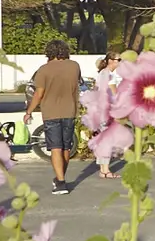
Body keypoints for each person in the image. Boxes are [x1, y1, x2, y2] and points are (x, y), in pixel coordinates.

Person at [24, 40, 83, 194]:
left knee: (55, 147)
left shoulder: (43, 70)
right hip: (70, 110)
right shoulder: (74, 66)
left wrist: (29, 111)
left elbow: (39, 94)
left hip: (50, 112)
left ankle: (61, 182)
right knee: (66, 146)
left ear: (49, 52)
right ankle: (60, 179)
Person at [94, 51, 126, 178]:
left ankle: (103, 168)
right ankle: (105, 170)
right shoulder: (109, 74)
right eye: (119, 60)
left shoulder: (102, 73)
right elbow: (114, 93)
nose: (120, 62)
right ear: (111, 61)